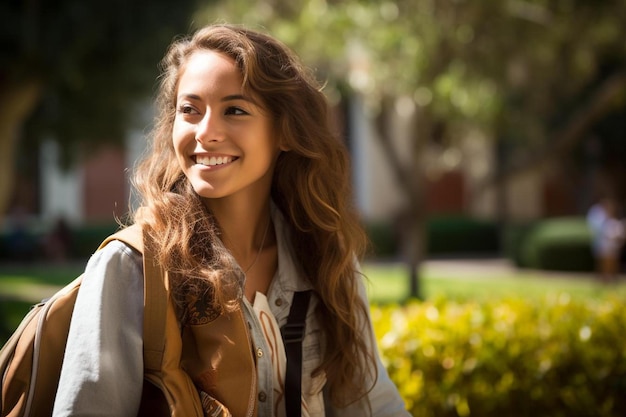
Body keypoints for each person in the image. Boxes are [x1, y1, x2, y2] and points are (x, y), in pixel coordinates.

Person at [52, 24, 409, 416]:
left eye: (235, 110)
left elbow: (372, 405)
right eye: (190, 110)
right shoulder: (131, 268)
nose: (206, 132)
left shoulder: (324, 255)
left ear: (286, 131)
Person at [587, 197, 625, 283]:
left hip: (611, 245)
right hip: (603, 244)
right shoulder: (598, 214)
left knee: (612, 263)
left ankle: (611, 279)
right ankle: (603, 280)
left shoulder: (613, 220)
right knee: (603, 263)